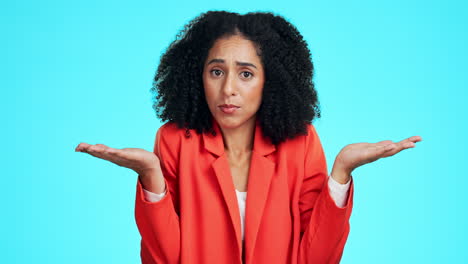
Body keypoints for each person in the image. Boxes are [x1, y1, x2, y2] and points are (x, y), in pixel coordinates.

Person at [75, 10, 422, 264]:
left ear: (271, 81)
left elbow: (317, 259)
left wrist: (342, 173)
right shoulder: (174, 140)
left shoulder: (300, 141)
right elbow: (164, 259)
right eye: (216, 71)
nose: (228, 89)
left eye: (245, 73)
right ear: (197, 76)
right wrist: (151, 178)